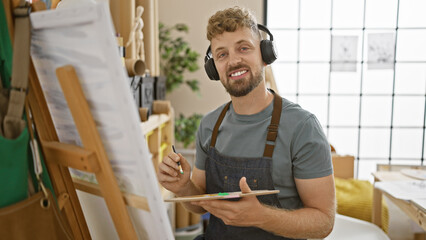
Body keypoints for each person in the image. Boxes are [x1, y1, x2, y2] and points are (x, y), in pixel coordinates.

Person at [158, 6, 335, 240]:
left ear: (265, 54)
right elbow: (200, 205)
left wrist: (262, 216)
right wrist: (183, 188)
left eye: (243, 48)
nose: (233, 61)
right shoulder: (209, 126)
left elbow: (324, 222)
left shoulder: (302, 127)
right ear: (214, 68)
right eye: (222, 54)